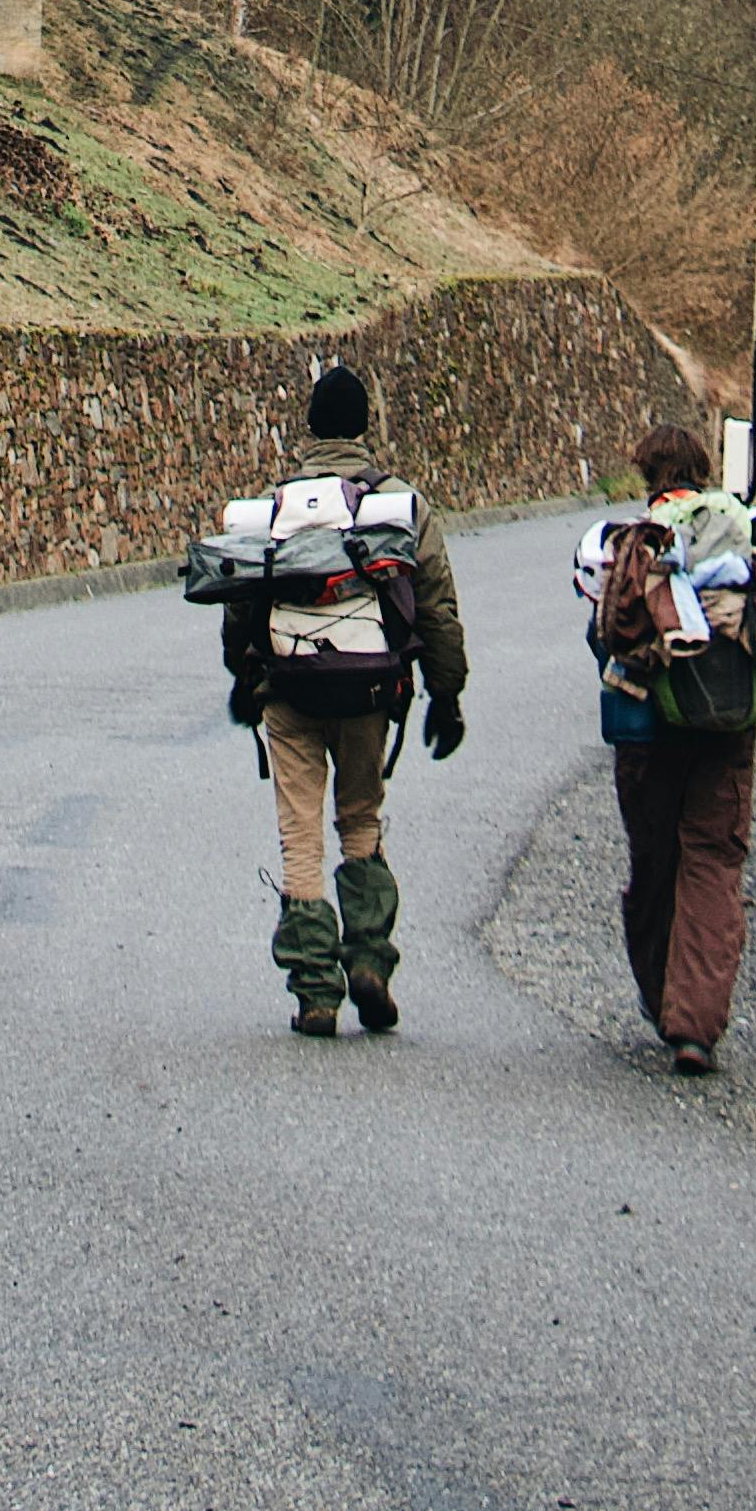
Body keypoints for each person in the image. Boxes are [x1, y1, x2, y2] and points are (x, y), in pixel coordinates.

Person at [582, 417, 756, 1080]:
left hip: (647, 735)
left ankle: (661, 996)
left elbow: (605, 634)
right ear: (702, 471)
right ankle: (694, 1028)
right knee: (714, 865)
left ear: (647, 478)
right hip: (728, 727)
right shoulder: (739, 530)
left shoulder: (636, 542)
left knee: (654, 864)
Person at [220, 362, 467, 1039]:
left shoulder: (272, 507)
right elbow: (438, 608)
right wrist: (448, 696)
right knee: (360, 820)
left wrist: (243, 677)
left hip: (290, 689)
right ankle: (369, 965)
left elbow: (241, 602)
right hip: (370, 688)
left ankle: (316, 995)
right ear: (364, 426)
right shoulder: (399, 505)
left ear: (309, 428)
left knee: (299, 835)